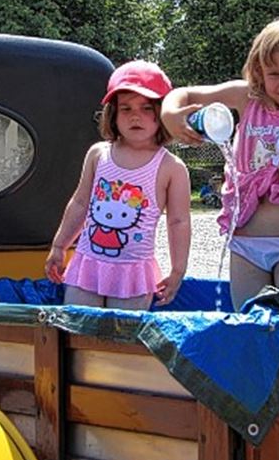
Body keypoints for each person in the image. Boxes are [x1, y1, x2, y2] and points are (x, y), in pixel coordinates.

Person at [161, 14, 279, 310]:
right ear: (259, 72)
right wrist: (170, 114)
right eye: (274, 73)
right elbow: (185, 93)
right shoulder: (248, 100)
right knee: (248, 329)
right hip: (246, 246)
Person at [46, 60, 191, 309]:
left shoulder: (171, 167)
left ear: (163, 112)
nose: (135, 115)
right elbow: (80, 202)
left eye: (147, 108)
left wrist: (178, 270)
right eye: (126, 108)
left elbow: (178, 221)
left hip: (133, 272)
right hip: (88, 265)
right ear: (113, 114)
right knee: (77, 329)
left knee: (124, 338)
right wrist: (60, 245)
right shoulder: (98, 154)